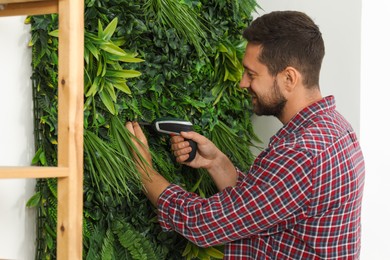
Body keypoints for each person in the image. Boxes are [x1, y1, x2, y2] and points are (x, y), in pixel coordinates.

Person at [126, 10, 365, 259]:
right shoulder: (336, 129)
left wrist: (144, 172)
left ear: (289, 78)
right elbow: (265, 206)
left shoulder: (301, 154)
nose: (242, 83)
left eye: (251, 74)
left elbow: (201, 224)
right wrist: (216, 162)